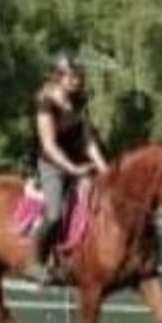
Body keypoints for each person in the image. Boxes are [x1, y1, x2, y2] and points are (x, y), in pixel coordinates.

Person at [24, 54, 109, 284]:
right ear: (57, 77)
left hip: (78, 161)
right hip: (52, 165)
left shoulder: (78, 100)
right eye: (72, 76)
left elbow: (87, 139)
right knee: (55, 214)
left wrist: (104, 168)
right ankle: (36, 262)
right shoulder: (45, 104)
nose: (77, 80)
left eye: (78, 76)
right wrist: (73, 168)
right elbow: (49, 145)